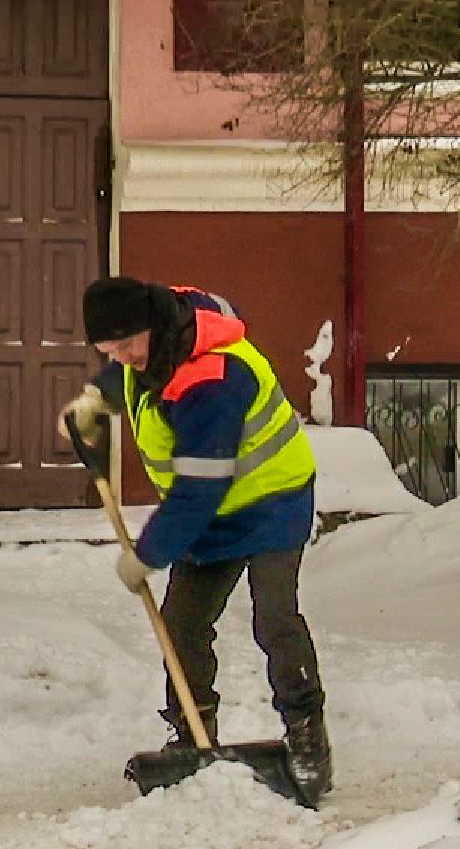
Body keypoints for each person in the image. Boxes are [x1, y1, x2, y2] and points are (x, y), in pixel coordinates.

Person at [60, 277, 332, 795]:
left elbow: (199, 490)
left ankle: (307, 737)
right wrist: (98, 398)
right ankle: (192, 732)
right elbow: (132, 376)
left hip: (271, 502)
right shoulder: (153, 348)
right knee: (182, 624)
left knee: (275, 619)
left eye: (126, 345)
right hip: (211, 514)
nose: (122, 358)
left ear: (152, 326)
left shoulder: (214, 379)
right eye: (108, 350)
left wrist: (149, 553)